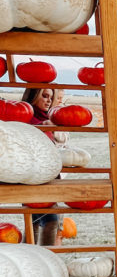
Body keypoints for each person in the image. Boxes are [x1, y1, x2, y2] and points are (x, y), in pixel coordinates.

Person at [22, 87, 67, 246]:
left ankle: (32, 258)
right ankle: (42, 258)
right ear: (33, 97)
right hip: (33, 177)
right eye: (44, 96)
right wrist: (44, 126)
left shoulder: (48, 118)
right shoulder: (27, 118)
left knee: (36, 221)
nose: (48, 100)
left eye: (51, 97)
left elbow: (62, 140)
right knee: (48, 221)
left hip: (48, 177)